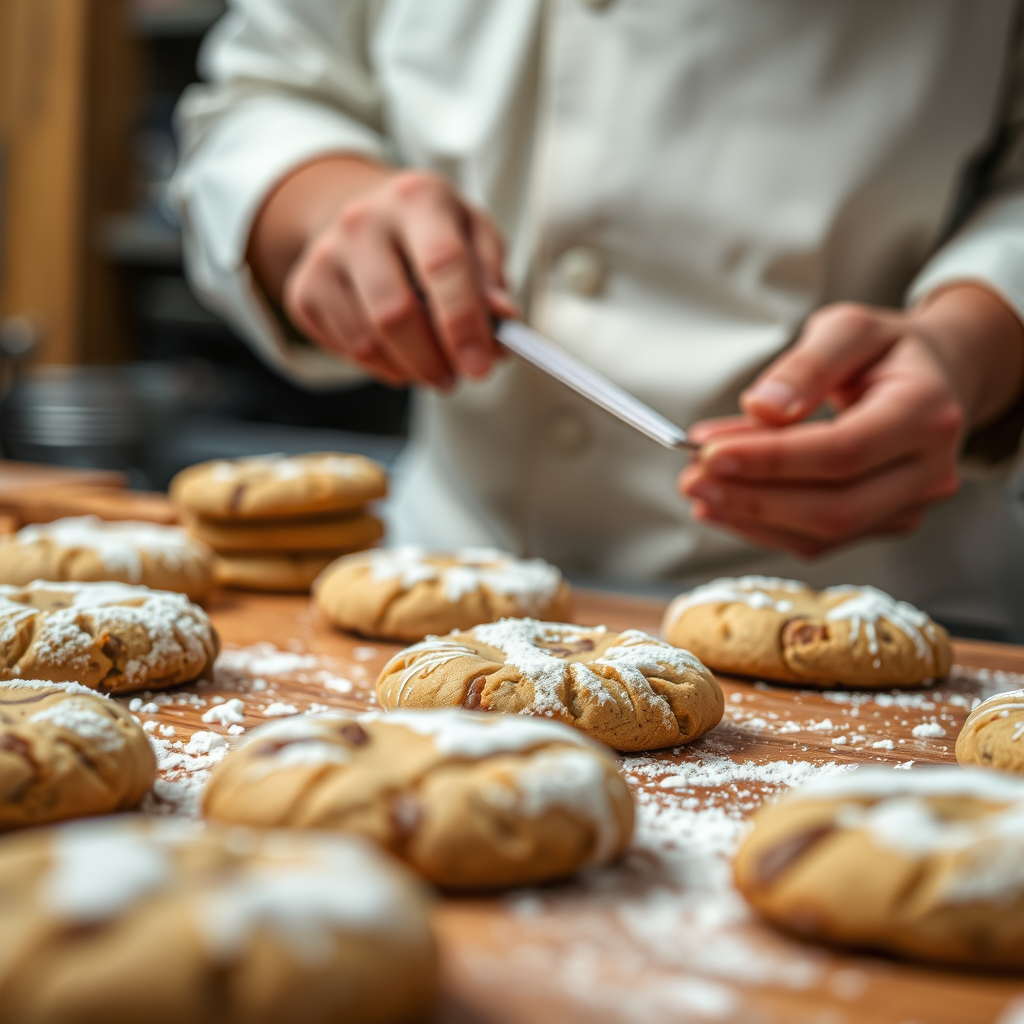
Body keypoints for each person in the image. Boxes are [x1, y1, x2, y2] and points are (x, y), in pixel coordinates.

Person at [173, 0, 1024, 635]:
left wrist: (972, 342)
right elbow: (265, 88)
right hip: (447, 573)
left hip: (883, 600)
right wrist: (320, 202)